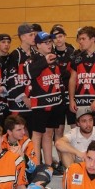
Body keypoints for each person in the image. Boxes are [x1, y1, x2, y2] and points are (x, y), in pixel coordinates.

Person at [24, 31, 64, 166]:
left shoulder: (55, 58)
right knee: (37, 135)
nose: (49, 45)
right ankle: (36, 165)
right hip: (40, 104)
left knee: (49, 134)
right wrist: (44, 61)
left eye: (50, 42)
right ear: (38, 45)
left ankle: (48, 165)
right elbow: (29, 73)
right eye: (45, 43)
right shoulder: (32, 60)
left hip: (55, 103)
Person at [2, 115, 60, 189]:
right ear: (9, 132)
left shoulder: (27, 142)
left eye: (23, 128)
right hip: (7, 178)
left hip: (24, 177)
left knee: (47, 168)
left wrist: (23, 157)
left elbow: (33, 168)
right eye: (19, 130)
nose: (23, 132)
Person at [50, 25, 76, 173]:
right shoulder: (50, 54)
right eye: (55, 37)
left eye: (60, 36)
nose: (58, 40)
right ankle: (61, 161)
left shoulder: (73, 53)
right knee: (58, 131)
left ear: (65, 36)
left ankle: (76, 160)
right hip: (57, 99)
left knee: (74, 129)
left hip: (71, 97)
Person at [6, 23, 36, 136]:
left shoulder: (35, 54)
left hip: (33, 101)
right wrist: (24, 98)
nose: (34, 37)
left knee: (33, 135)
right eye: (31, 35)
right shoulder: (15, 55)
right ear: (23, 37)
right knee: (19, 134)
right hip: (18, 103)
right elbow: (11, 79)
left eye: (34, 34)